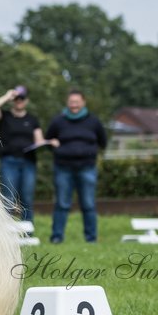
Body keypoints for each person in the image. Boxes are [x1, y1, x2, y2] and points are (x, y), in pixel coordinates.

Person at [44, 89, 108, 244]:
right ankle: (57, 237)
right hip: (63, 169)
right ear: (67, 103)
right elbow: (48, 141)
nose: (74, 105)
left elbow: (103, 142)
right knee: (62, 204)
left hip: (87, 168)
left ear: (83, 102)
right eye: (71, 102)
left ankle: (91, 238)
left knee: (88, 204)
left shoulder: (94, 121)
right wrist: (53, 145)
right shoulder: (58, 121)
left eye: (77, 102)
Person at [0, 85, 45, 221]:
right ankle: (6, 230)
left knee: (27, 197)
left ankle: (28, 230)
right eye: (17, 99)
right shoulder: (4, 116)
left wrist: (46, 143)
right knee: (8, 197)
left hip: (28, 162)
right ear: (13, 100)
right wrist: (7, 96)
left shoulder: (32, 120)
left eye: (22, 98)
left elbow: (39, 140)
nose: (19, 101)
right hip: (9, 161)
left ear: (26, 100)